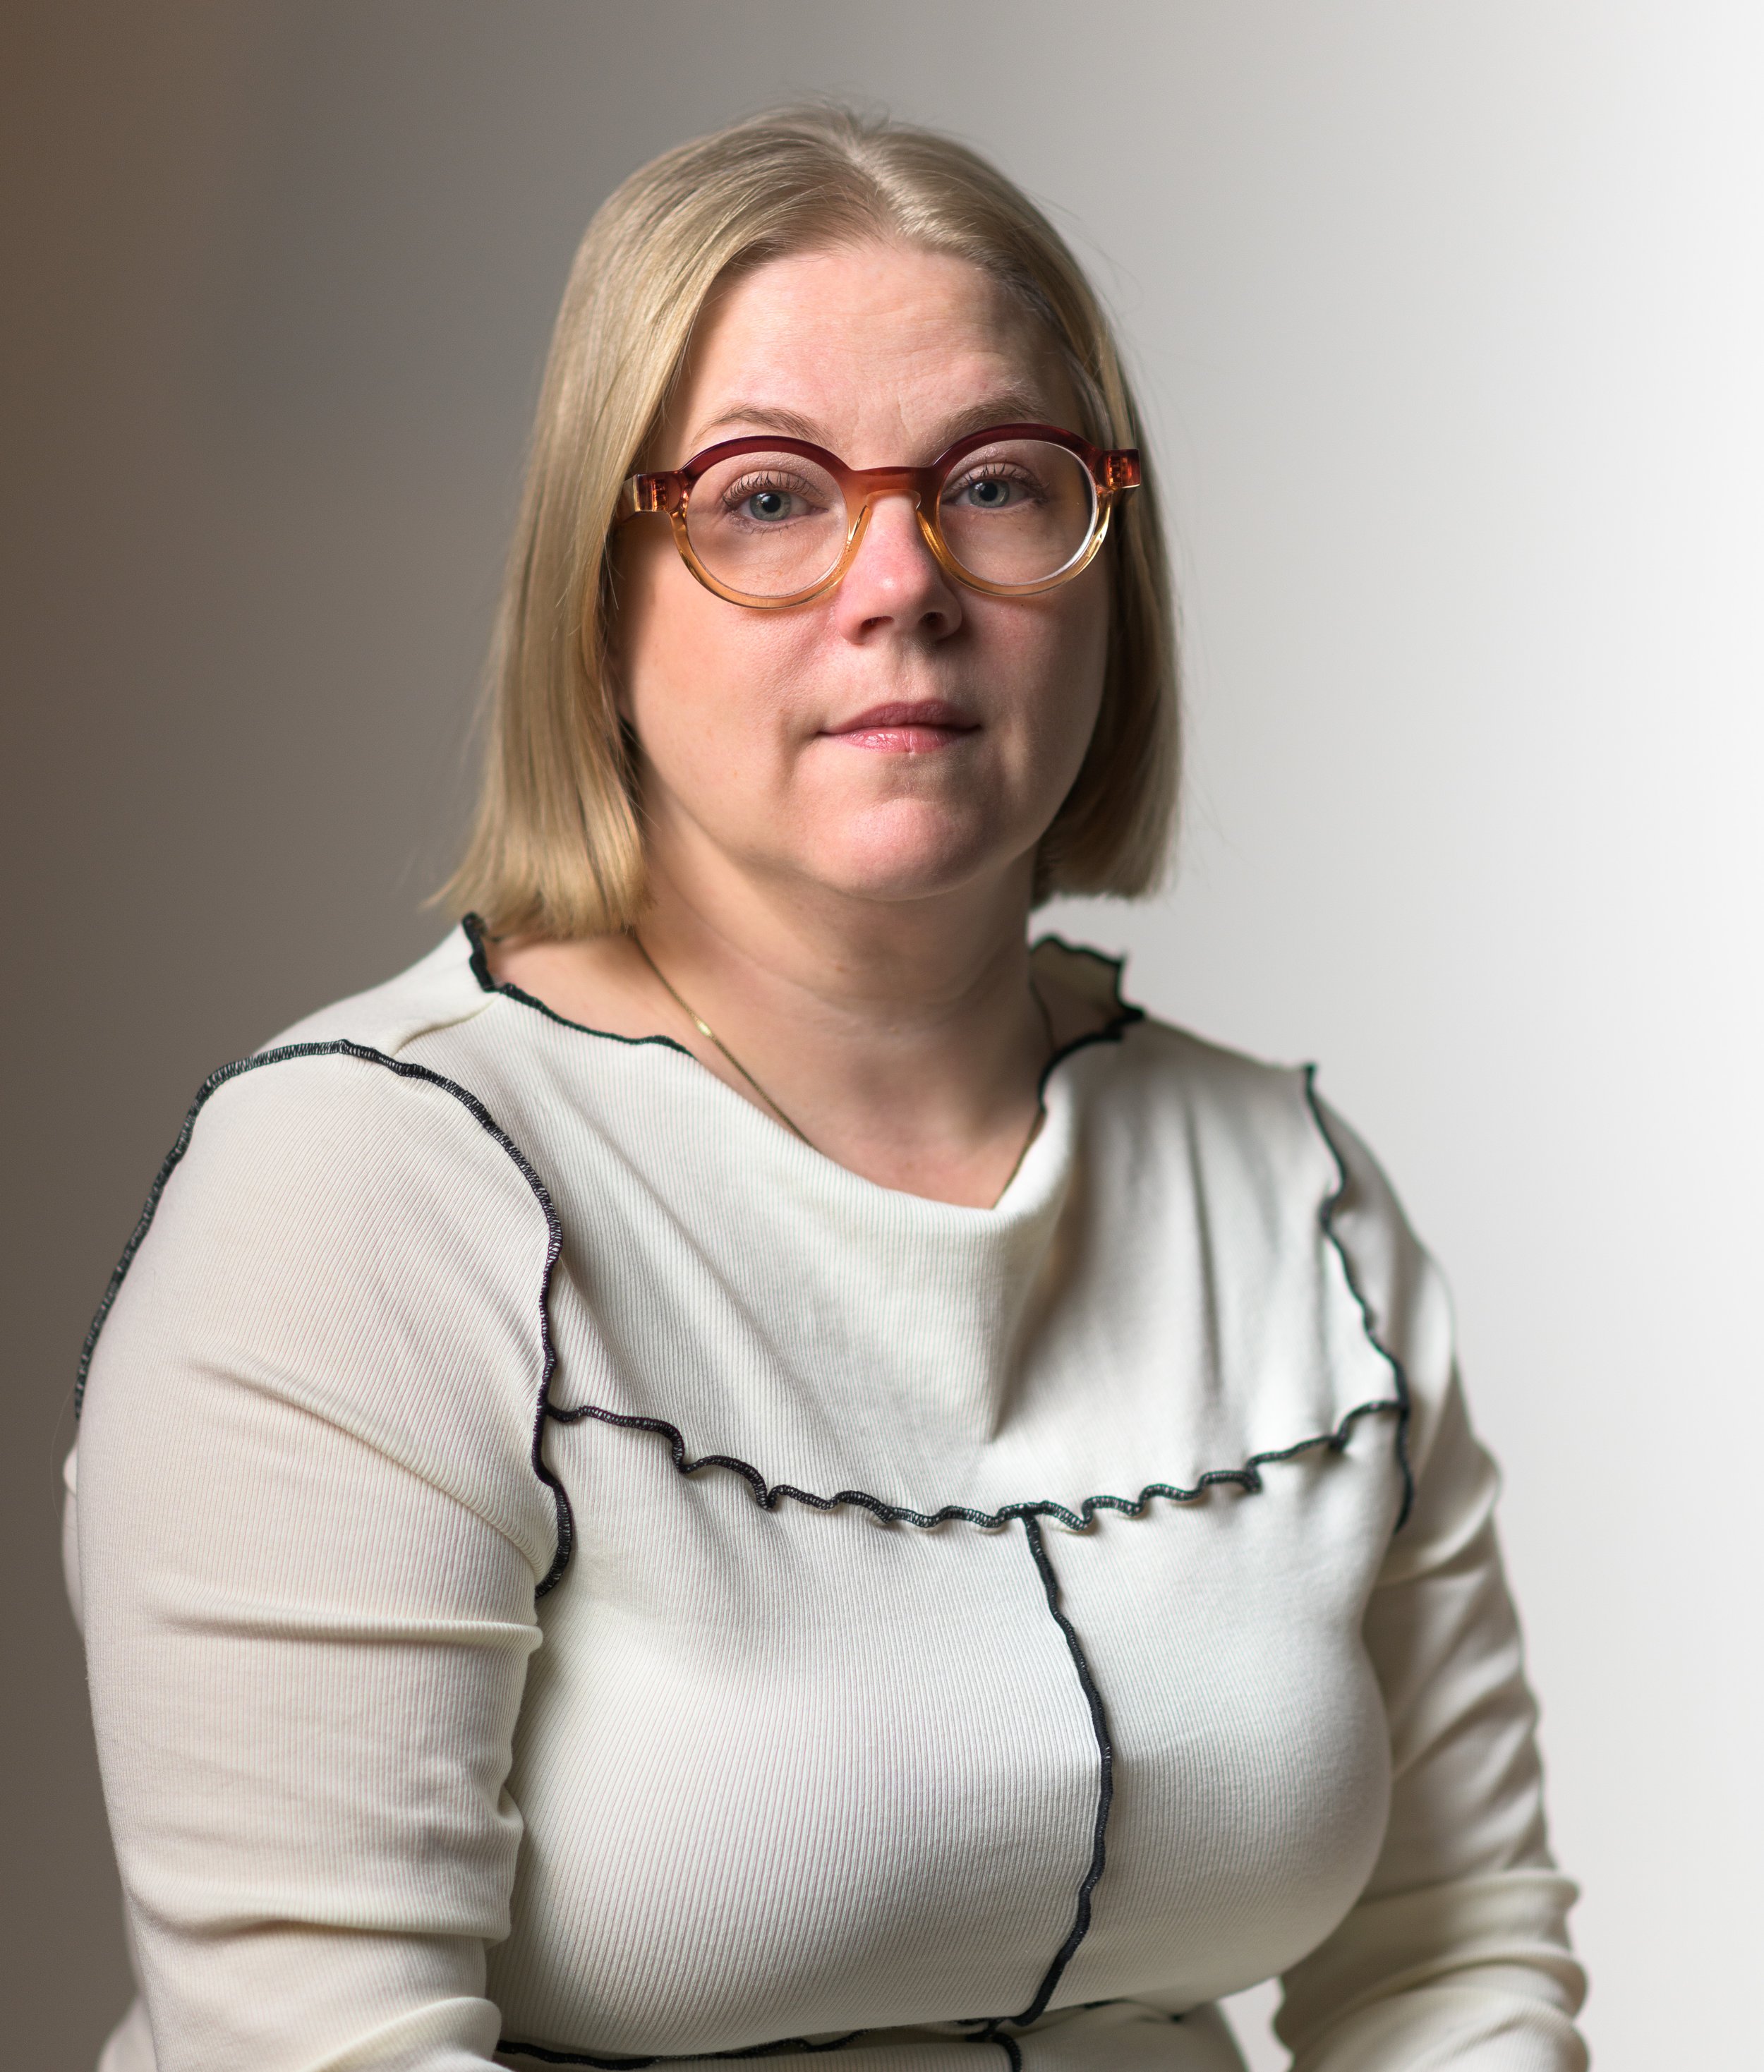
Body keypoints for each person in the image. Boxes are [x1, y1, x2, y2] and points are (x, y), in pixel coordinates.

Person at [65, 107, 1588, 2072]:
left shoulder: (1290, 1194)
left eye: (1000, 483)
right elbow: (321, 2043)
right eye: (770, 498)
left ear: (1108, 570)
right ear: (596, 594)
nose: (903, 581)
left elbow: (1449, 1959)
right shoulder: (365, 1189)